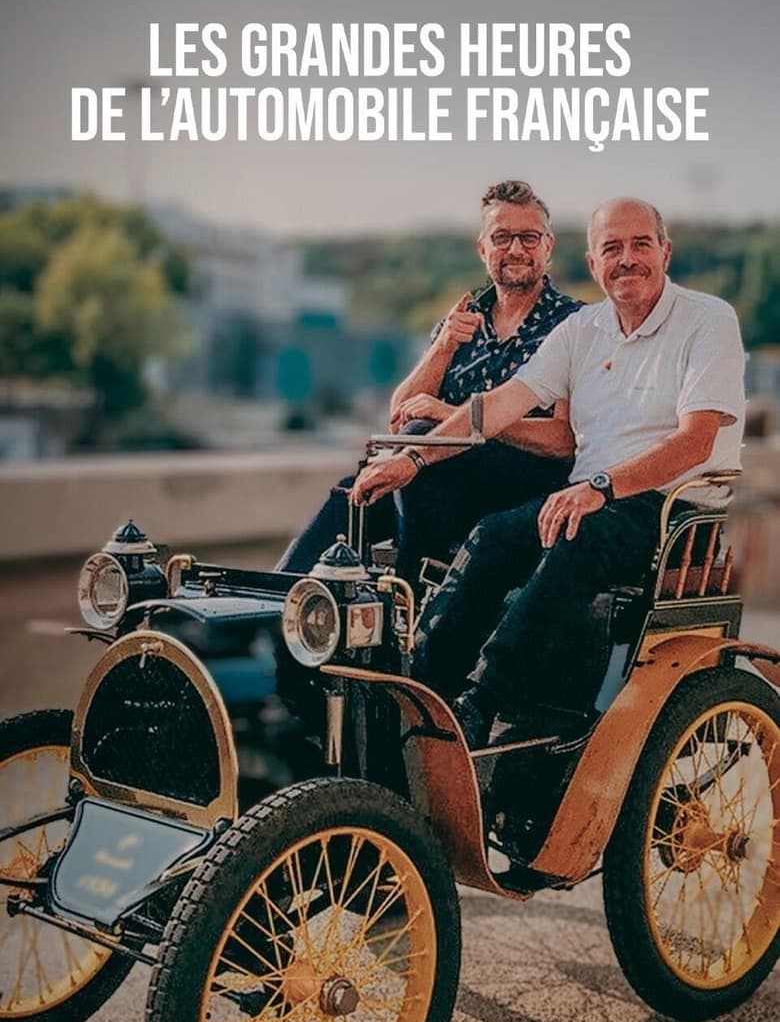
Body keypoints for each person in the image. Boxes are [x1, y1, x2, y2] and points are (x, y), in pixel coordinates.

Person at [351, 197, 746, 748]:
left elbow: (696, 439)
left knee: (574, 529)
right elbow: (498, 405)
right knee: (493, 534)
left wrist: (602, 487)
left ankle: (481, 700)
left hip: (673, 510)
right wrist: (412, 459)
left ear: (665, 252)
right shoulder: (583, 330)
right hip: (592, 499)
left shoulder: (707, 319)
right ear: (592, 264)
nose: (626, 259)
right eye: (612, 248)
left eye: (640, 245)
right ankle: (421, 690)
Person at [276, 180, 582, 590]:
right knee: (358, 491)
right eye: (502, 237)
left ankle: (408, 594)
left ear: (548, 246)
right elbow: (401, 412)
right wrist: (443, 345)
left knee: (418, 445)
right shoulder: (464, 317)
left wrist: (452, 419)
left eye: (528, 238)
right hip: (431, 479)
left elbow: (564, 440)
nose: (515, 249)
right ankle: (278, 603)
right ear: (482, 249)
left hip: (523, 482)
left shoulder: (575, 325)